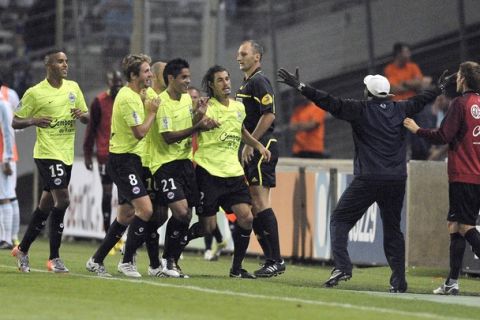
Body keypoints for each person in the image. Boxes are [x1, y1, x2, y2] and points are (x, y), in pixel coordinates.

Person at [278, 67, 445, 292]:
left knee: (339, 220)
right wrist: (440, 88)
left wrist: (300, 87)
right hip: (396, 179)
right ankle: (399, 281)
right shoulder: (401, 108)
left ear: (368, 93)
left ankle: (343, 266)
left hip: (368, 179)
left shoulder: (360, 109)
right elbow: (423, 98)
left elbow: (328, 102)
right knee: (393, 230)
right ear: (387, 94)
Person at [403, 61, 480, 295]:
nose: (456, 79)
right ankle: (452, 282)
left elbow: (443, 135)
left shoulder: (461, 103)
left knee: (465, 226)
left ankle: (452, 282)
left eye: (458, 75)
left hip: (463, 174)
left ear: (463, 79)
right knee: (454, 225)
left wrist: (417, 130)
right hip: (476, 173)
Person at [11, 49, 89, 273]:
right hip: (47, 153)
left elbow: (85, 116)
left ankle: (23, 249)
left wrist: (81, 115)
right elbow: (16, 122)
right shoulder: (35, 93)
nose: (65, 65)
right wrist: (34, 120)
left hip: (65, 154)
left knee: (45, 205)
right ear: (49, 65)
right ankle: (54, 258)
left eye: (66, 61)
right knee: (63, 200)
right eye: (60, 62)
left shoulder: (73, 87)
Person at [86, 53, 159, 278]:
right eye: (146, 71)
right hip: (122, 161)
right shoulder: (127, 97)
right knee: (146, 209)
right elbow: (139, 133)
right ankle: (127, 261)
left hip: (133, 161)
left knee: (125, 215)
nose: (151, 75)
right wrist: (152, 112)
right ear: (134, 75)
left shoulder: (140, 93)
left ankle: (96, 260)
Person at [194, 65, 271, 277]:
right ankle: (173, 251)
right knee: (207, 228)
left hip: (233, 173)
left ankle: (236, 269)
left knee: (246, 218)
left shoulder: (239, 108)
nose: (226, 83)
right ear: (211, 85)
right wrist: (198, 117)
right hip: (208, 171)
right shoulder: (205, 106)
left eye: (227, 79)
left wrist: (257, 145)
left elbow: (241, 130)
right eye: (220, 80)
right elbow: (193, 127)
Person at [148, 58, 218, 278]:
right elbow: (168, 137)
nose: (188, 81)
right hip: (165, 164)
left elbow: (189, 124)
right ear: (171, 78)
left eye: (188, 76)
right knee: (179, 211)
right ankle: (161, 261)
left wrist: (200, 114)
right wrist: (198, 126)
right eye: (184, 77)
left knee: (186, 216)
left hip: (185, 163)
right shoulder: (162, 102)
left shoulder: (187, 98)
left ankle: (171, 262)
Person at [235, 40, 284, 277]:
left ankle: (276, 259)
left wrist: (251, 143)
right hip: (254, 148)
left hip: (263, 148)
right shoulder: (246, 83)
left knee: (261, 202)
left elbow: (269, 115)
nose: (239, 57)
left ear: (257, 57)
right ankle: (271, 260)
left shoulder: (259, 81)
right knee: (254, 205)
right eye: (238, 54)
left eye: (244, 53)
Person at [83, 70, 124, 233]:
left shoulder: (127, 99)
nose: (117, 86)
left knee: (125, 195)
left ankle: (121, 231)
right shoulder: (99, 102)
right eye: (115, 83)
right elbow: (91, 129)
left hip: (124, 155)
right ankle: (107, 231)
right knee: (107, 193)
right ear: (109, 83)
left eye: (120, 83)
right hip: (105, 155)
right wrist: (87, 154)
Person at [384, 42, 434, 160]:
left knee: (418, 131)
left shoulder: (412, 66)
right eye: (406, 52)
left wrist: (404, 83)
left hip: (413, 105)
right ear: (398, 54)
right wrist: (412, 84)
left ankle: (421, 156)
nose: (409, 54)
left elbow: (420, 83)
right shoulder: (389, 69)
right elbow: (393, 88)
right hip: (398, 107)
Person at [0, 79, 20, 249]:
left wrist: (6, 158)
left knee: (5, 196)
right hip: (4, 156)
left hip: (4, 157)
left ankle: (7, 238)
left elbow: (9, 132)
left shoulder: (4, 103)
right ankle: (10, 237)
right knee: (8, 195)